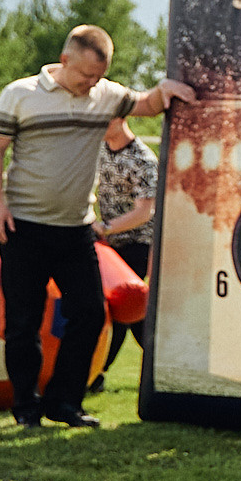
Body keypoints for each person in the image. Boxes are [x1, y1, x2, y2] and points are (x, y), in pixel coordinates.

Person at [0, 26, 193, 429]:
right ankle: (26, 406)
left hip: (76, 230)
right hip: (22, 226)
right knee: (23, 323)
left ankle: (65, 403)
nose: (91, 84)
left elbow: (146, 104)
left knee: (91, 314)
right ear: (64, 61)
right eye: (85, 76)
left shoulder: (106, 96)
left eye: (99, 77)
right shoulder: (20, 94)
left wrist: (164, 89)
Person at [90, 113, 156, 383]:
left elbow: (145, 213)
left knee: (119, 308)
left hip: (137, 244)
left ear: (121, 118)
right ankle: (163, 363)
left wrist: (106, 227)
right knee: (134, 312)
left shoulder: (144, 160)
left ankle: (96, 374)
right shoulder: (100, 148)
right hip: (109, 244)